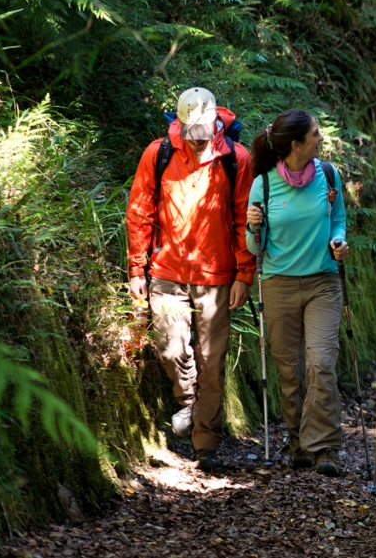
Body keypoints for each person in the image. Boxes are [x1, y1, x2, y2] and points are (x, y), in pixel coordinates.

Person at [127, 87, 253, 473]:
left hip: (217, 277)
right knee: (170, 350)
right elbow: (139, 212)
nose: (199, 138)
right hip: (166, 271)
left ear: (216, 122)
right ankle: (188, 403)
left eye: (205, 130)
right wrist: (137, 269)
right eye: (192, 131)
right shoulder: (159, 153)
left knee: (211, 361)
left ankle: (206, 443)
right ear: (180, 124)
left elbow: (243, 219)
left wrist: (244, 275)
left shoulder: (236, 158)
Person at [245, 109, 350, 477]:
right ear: (296, 144)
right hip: (279, 284)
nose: (321, 139)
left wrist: (339, 241)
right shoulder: (265, 184)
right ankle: (296, 441)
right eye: (316, 134)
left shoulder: (330, 175)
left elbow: (338, 220)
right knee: (290, 372)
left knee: (321, 363)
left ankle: (324, 448)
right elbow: (254, 247)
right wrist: (252, 225)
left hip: (323, 281)